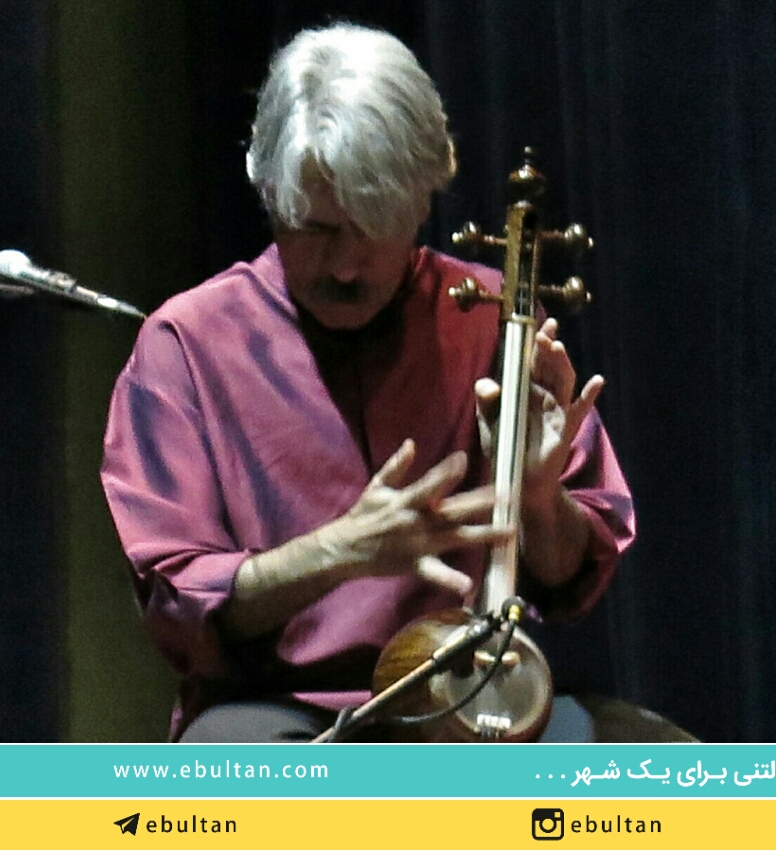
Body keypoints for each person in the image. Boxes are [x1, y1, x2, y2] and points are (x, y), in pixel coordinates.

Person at [100, 23, 636, 743]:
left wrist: (539, 499)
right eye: (317, 229)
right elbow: (175, 605)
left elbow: (571, 581)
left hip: (466, 698)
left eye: (372, 226)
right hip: (275, 707)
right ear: (269, 193)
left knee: (631, 771)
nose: (346, 266)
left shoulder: (495, 324)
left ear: (424, 197)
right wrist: (340, 550)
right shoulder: (187, 345)